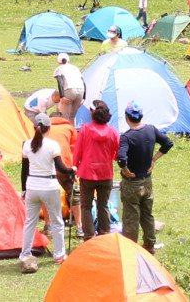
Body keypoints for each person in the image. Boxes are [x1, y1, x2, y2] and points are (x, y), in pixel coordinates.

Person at [115, 102, 172, 252]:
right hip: (147, 182)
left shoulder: (127, 137)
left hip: (131, 184)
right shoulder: (151, 130)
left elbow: (121, 159)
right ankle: (149, 245)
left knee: (131, 217)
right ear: (141, 116)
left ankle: (130, 248)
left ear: (127, 117)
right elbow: (168, 143)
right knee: (147, 214)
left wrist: (126, 170)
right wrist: (153, 160)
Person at [16, 115, 71, 273]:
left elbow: (24, 170)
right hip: (49, 185)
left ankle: (25, 254)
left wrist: (24, 190)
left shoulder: (27, 145)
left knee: (30, 222)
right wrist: (71, 170)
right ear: (49, 128)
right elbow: (60, 167)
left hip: (33, 186)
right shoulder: (52, 145)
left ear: (34, 128)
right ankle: (59, 255)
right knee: (57, 222)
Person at [72, 99, 119, 240]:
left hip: (87, 173)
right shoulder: (112, 131)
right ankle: (104, 234)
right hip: (105, 173)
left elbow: (77, 151)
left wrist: (75, 166)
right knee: (103, 205)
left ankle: (89, 236)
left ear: (93, 114)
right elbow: (117, 154)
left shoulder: (85, 129)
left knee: (86, 206)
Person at [54, 53, 86, 120]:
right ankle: (72, 130)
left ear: (59, 62)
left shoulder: (59, 68)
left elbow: (59, 82)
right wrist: (84, 97)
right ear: (69, 61)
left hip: (69, 90)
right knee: (72, 116)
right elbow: (83, 81)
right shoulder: (75, 68)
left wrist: (62, 96)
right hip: (81, 90)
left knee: (64, 117)